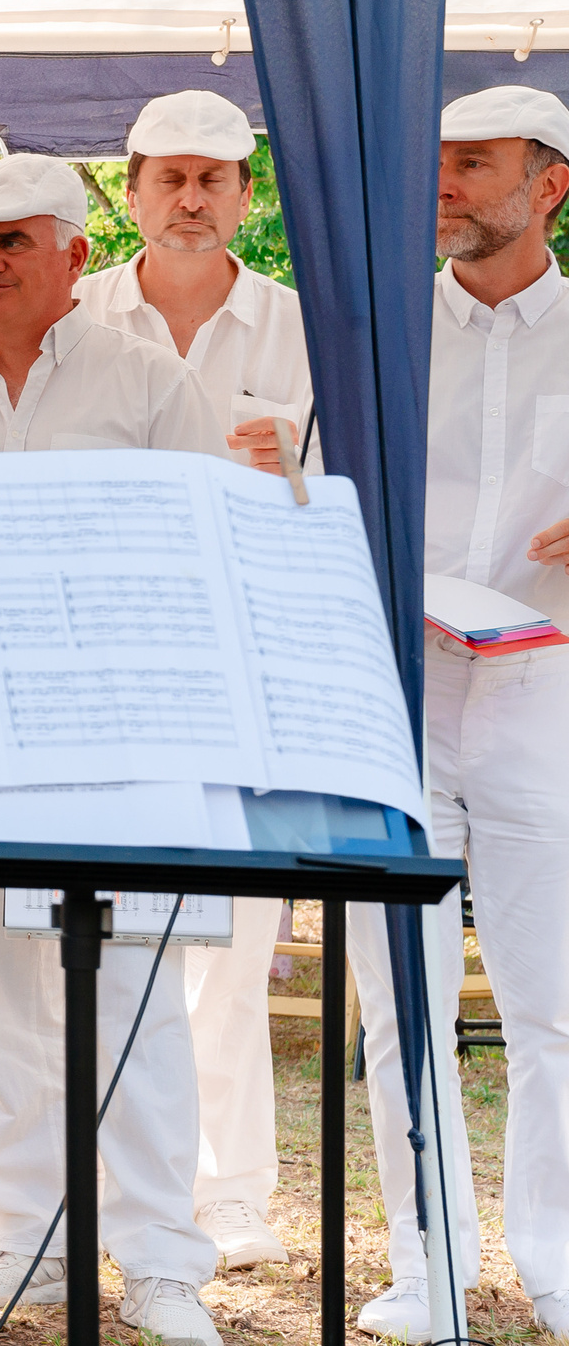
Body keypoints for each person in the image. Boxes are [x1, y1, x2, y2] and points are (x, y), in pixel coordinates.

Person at [0, 151, 227, 1346]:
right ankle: (24, 1239)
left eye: (10, 241)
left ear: (76, 254)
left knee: (133, 988)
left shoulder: (149, 383)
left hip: (113, 737)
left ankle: (159, 1260)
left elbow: (199, 554)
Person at [347, 85, 569, 1343]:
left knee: (553, 1000)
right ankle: (426, 1265)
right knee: (401, 997)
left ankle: (556, 1263)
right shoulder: (375, 327)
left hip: (547, 693)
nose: (443, 184)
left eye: (472, 165)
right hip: (405, 691)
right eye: (434, 160)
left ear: (546, 184)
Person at [73, 90, 306, 1273]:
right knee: (91, 930)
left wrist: (296, 469)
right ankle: (93, 1197)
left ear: (246, 196)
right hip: (105, 661)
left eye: (214, 177)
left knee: (230, 933)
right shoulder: (73, 317)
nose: (190, 198)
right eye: (168, 176)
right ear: (130, 190)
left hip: (241, 655)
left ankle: (230, 1197)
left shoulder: (302, 325)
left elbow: (353, 489)